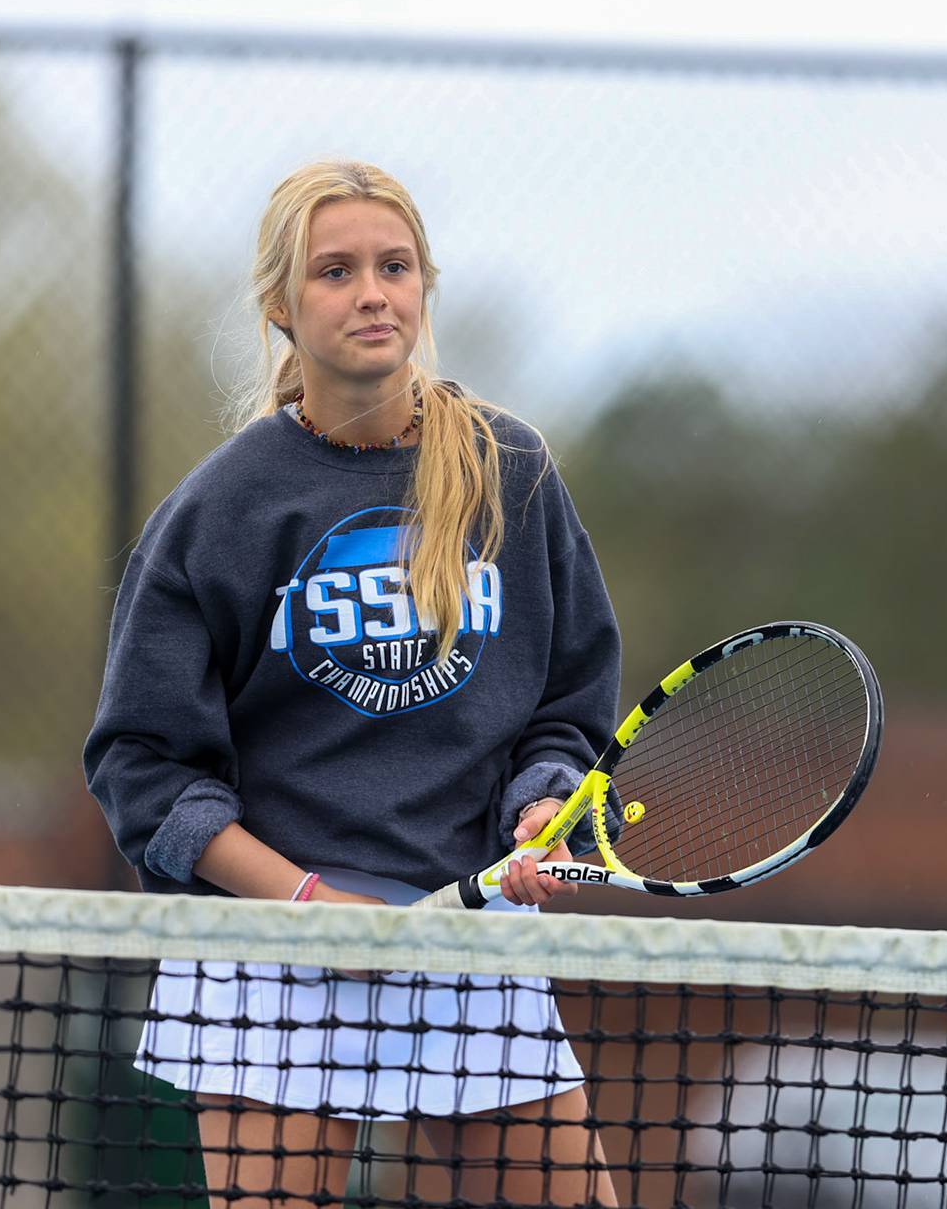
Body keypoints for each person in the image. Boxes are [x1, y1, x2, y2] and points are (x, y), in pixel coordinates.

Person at [83, 158, 622, 1207]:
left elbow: (563, 705)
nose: (372, 292)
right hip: (271, 961)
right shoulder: (219, 510)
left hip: (471, 945)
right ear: (282, 306)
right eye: (335, 271)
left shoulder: (516, 472)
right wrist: (308, 903)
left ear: (423, 287)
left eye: (395, 265)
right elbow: (141, 768)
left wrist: (544, 803)